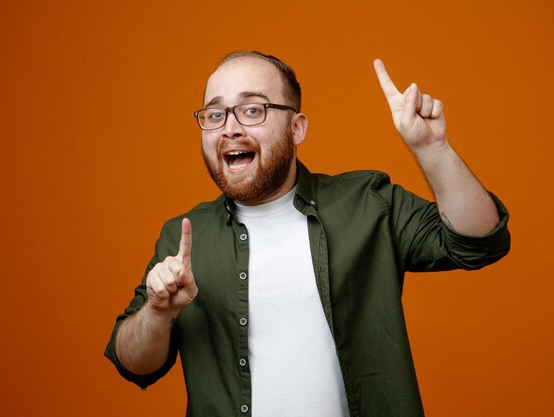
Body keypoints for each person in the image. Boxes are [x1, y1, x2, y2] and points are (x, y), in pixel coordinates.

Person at [105, 50, 510, 417]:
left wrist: (433, 148)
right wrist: (158, 312)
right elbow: (134, 363)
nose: (229, 128)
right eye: (215, 114)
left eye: (252, 110)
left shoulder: (368, 203)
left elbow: (480, 242)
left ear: (297, 128)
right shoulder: (183, 236)